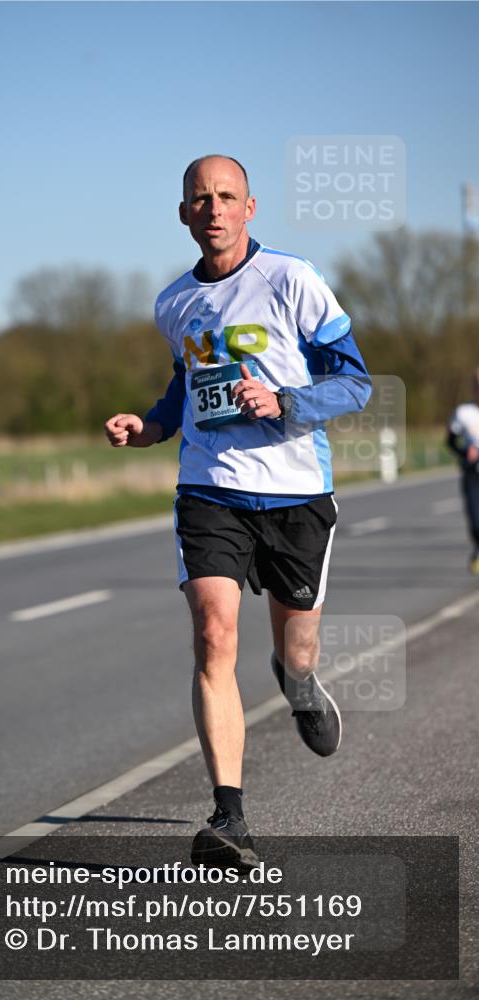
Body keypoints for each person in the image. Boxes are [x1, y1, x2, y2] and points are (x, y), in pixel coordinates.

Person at [104, 155, 372, 869]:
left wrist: (285, 402)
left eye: (226, 196)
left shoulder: (290, 278)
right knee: (212, 635)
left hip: (293, 493)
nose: (213, 208)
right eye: (201, 198)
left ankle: (300, 682)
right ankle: (229, 818)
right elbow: (182, 387)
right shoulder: (172, 304)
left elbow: (355, 383)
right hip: (209, 489)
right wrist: (151, 427)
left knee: (296, 645)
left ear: (248, 208)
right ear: (184, 213)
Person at [446, 369, 479, 575]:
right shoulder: (463, 413)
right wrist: (464, 451)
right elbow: (449, 441)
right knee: (476, 521)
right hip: (473, 473)